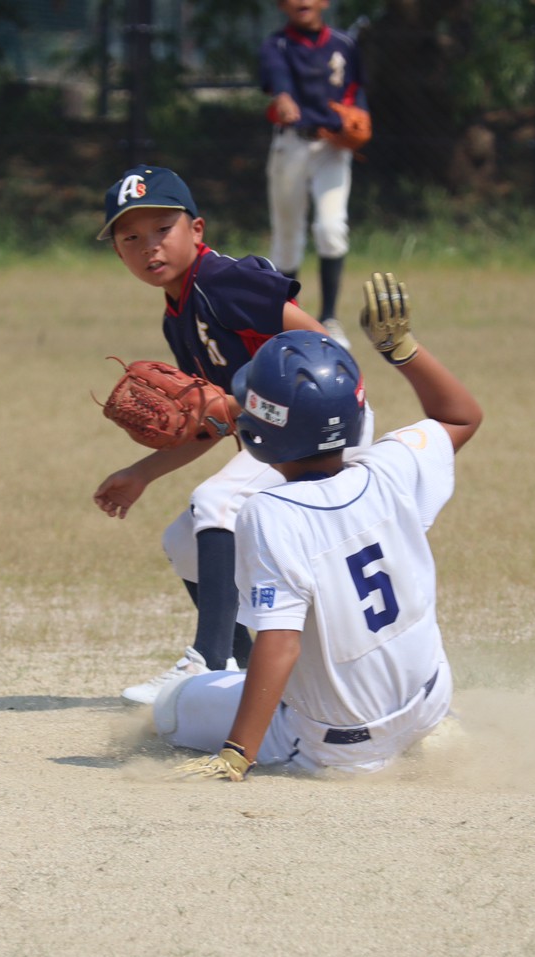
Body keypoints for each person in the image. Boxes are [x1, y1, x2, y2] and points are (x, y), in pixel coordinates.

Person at [159, 272, 483, 780]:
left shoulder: (270, 513)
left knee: (174, 705)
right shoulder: (391, 467)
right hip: (430, 702)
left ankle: (264, 738)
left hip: (341, 749)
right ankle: (434, 729)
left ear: (260, 436)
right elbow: (461, 417)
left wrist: (236, 754)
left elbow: (280, 643)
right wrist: (402, 349)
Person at [92, 164, 374, 705]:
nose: (149, 247)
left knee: (216, 502)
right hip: (281, 438)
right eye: (131, 237)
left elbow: (323, 347)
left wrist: (249, 400)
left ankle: (208, 658)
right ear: (118, 253)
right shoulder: (178, 316)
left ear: (196, 231)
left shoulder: (221, 282)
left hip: (323, 424)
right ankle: (247, 670)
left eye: (162, 229)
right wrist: (140, 474)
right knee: (184, 542)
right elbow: (215, 421)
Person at [259, 0, 367, 351]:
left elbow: (356, 90)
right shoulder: (277, 45)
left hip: (332, 149)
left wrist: (358, 118)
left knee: (332, 228)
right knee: (287, 237)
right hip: (291, 145)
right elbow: (277, 78)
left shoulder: (343, 44)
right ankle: (287, 319)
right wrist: (284, 97)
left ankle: (330, 319)